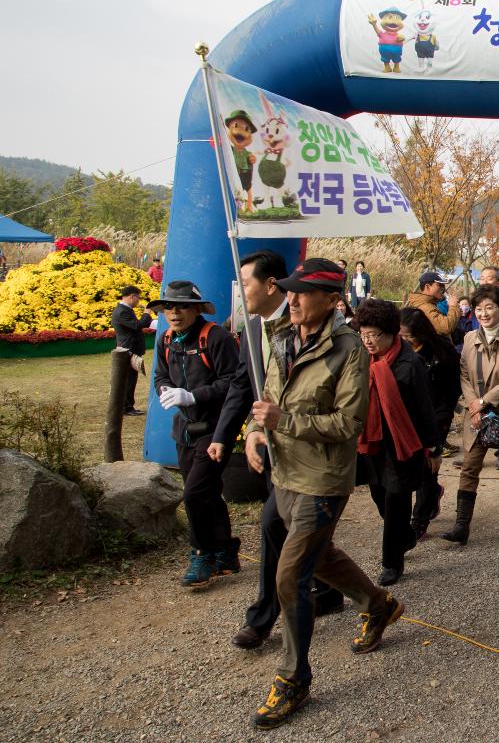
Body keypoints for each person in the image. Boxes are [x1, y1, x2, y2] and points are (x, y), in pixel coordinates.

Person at [243, 257, 404, 730]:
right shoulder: (282, 338)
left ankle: (294, 678)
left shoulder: (349, 349)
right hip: (284, 473)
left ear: (333, 301)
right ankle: (379, 605)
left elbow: (348, 424)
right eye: (289, 290)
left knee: (290, 576)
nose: (290, 299)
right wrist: (256, 432)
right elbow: (270, 398)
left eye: (302, 292)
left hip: (323, 480)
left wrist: (282, 422)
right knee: (321, 554)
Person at [212, 251, 345, 651]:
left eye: (247, 284)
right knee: (296, 536)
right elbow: (246, 386)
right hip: (271, 444)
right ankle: (339, 593)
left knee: (278, 532)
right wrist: (238, 432)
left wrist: (279, 421)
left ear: (273, 285)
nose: (243, 293)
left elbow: (342, 416)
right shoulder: (255, 329)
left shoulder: (320, 334)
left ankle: (269, 624)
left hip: (311, 455)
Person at [150, 280, 241, 588]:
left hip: (216, 428)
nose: (174, 312)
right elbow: (160, 374)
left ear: (197, 309)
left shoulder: (215, 337)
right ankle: (226, 552)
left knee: (193, 493)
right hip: (186, 430)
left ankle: (201, 553)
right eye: (169, 306)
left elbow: (235, 381)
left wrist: (193, 396)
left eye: (182, 306)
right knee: (207, 491)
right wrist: (165, 390)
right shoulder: (165, 340)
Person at [352, 300, 438, 586]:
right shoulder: (362, 360)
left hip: (402, 442)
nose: (368, 341)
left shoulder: (409, 362)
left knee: (395, 500)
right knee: (378, 495)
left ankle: (392, 562)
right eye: (364, 334)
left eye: (374, 335)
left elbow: (425, 407)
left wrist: (432, 447)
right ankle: (405, 536)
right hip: (372, 441)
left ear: (390, 332)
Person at [444, 283, 499, 544]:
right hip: (476, 414)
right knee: (469, 468)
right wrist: (472, 403)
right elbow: (464, 374)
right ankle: (461, 526)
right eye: (479, 308)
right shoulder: (470, 338)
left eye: (489, 307)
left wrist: (483, 402)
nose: (483, 313)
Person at [399, 307, 461, 541]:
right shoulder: (395, 351)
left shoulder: (442, 353)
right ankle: (434, 493)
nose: (403, 339)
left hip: (435, 418)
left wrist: (440, 425)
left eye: (406, 335)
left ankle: (419, 520)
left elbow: (451, 392)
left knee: (427, 468)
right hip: (405, 420)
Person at [110, 285, 152, 416]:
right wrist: (147, 312)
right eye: (138, 298)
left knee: (130, 379)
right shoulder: (122, 311)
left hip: (130, 349)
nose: (139, 301)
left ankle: (127, 406)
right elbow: (138, 325)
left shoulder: (125, 310)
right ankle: (126, 407)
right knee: (128, 380)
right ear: (132, 296)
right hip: (128, 350)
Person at [406, 270, 459, 340]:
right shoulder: (424, 306)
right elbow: (446, 327)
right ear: (427, 287)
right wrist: (453, 307)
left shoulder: (428, 304)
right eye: (439, 285)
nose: (443, 289)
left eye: (443, 286)